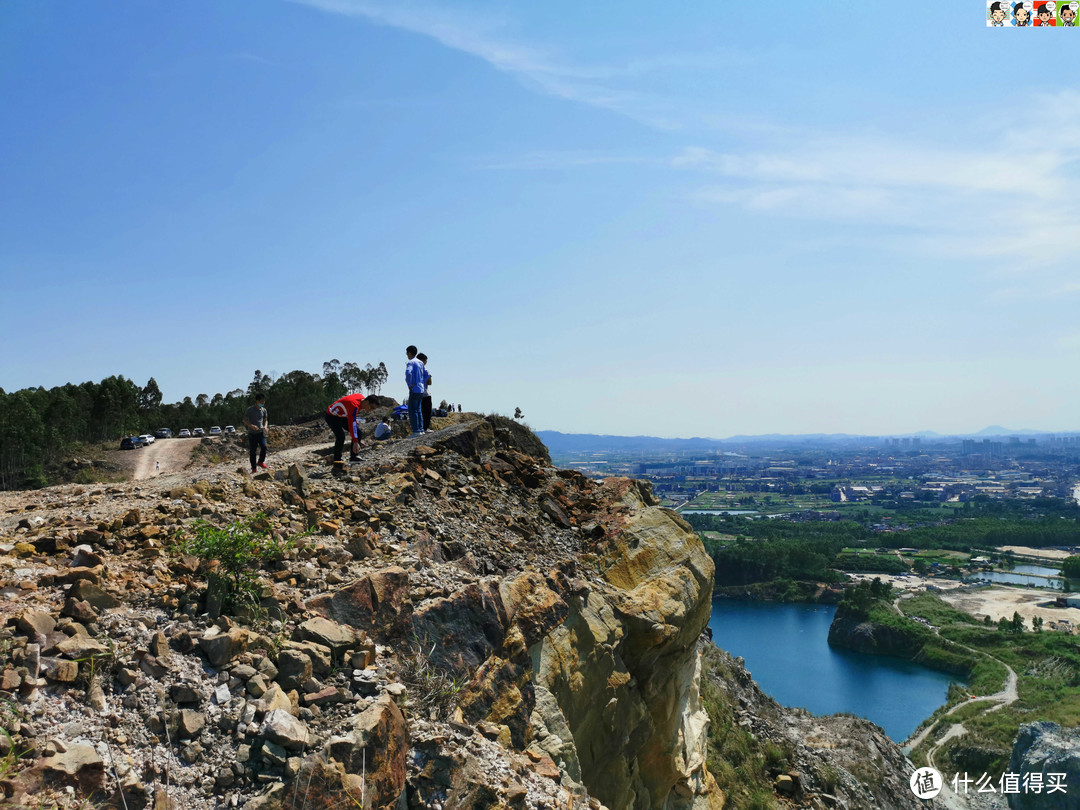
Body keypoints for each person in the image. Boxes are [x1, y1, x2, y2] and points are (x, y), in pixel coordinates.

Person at [325, 393, 367, 462]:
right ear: (367, 402)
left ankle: (354, 457)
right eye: (372, 407)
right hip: (331, 416)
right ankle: (337, 460)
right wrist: (355, 442)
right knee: (341, 436)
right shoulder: (354, 405)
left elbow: (353, 419)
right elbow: (352, 424)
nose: (371, 410)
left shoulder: (361, 399)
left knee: (358, 432)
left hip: (342, 416)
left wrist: (356, 439)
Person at [243, 393, 269, 473]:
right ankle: (254, 468)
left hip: (261, 433)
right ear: (257, 401)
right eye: (261, 402)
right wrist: (251, 426)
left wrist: (265, 426)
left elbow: (265, 420)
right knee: (253, 452)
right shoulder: (250, 410)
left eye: (264, 402)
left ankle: (260, 462)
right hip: (252, 434)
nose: (263, 404)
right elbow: (244, 420)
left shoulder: (264, 410)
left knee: (264, 447)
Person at [405, 345, 426, 437]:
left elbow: (408, 373)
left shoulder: (411, 362)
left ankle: (416, 431)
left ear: (409, 353)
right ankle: (421, 429)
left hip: (414, 388)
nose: (406, 354)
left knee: (412, 410)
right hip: (421, 388)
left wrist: (410, 385)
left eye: (407, 353)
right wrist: (421, 382)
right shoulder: (421, 362)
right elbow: (426, 374)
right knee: (418, 409)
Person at [417, 352, 433, 432]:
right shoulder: (425, 370)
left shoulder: (414, 370)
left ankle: (419, 428)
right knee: (427, 412)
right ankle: (425, 428)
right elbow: (430, 382)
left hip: (416, 393)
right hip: (425, 394)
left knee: (419, 412)